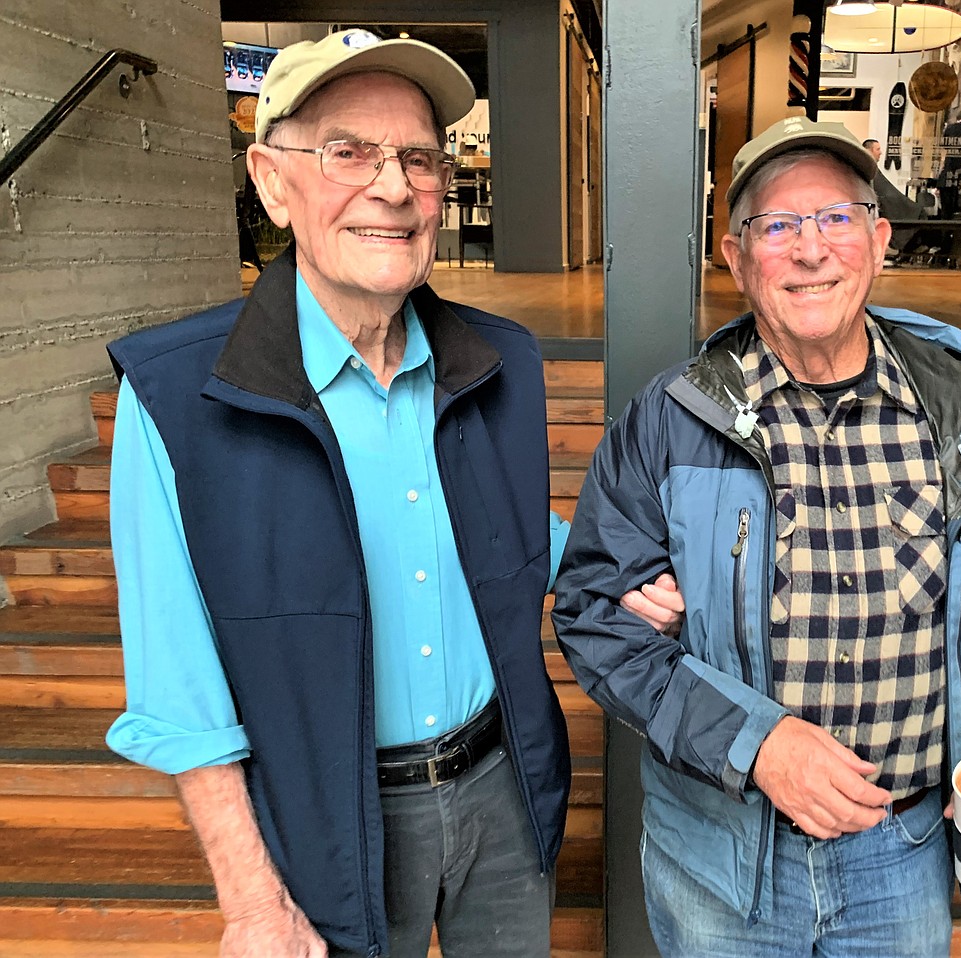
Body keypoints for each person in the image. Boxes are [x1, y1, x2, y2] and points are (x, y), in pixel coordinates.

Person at [104, 30, 677, 958]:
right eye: (348, 151)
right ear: (271, 180)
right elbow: (180, 687)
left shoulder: (500, 361)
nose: (393, 186)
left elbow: (494, 528)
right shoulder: (173, 397)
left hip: (503, 785)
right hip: (329, 816)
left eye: (418, 156)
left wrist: (613, 566)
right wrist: (252, 904)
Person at [552, 115, 961, 958]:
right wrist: (756, 743)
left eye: (836, 218)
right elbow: (594, 617)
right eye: (778, 226)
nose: (810, 248)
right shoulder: (673, 420)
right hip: (721, 861)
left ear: (879, 237)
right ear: (735, 255)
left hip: (903, 854)